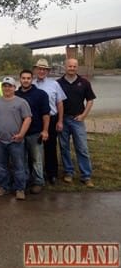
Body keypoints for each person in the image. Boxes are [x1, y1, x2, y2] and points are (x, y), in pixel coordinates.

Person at [0, 77, 31, 200]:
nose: (7, 88)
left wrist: (21, 134)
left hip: (16, 141)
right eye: (5, 86)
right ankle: (4, 187)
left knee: (19, 166)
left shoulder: (21, 102)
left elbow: (28, 119)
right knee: (2, 166)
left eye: (10, 86)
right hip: (0, 140)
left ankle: (20, 189)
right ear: (2, 87)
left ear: (14, 87)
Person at [57, 58, 96, 187]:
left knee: (82, 148)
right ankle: (68, 172)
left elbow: (90, 100)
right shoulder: (58, 83)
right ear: (65, 67)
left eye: (74, 66)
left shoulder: (84, 82)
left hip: (77, 120)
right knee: (64, 148)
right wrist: (59, 120)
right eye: (70, 66)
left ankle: (86, 176)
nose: (72, 68)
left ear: (77, 67)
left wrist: (84, 115)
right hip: (63, 120)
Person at [15, 69, 50, 194]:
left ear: (32, 79)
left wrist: (45, 131)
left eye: (28, 78)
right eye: (23, 78)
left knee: (37, 159)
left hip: (35, 132)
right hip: (19, 134)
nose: (25, 80)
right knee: (21, 159)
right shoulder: (15, 94)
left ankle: (38, 182)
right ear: (20, 79)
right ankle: (24, 180)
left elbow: (46, 114)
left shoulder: (41, 94)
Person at [32, 58, 66, 185]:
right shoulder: (31, 84)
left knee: (50, 147)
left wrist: (60, 121)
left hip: (52, 119)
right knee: (35, 148)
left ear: (47, 71)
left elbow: (60, 103)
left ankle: (52, 173)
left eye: (44, 69)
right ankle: (37, 173)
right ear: (35, 70)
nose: (41, 71)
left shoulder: (55, 84)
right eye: (39, 69)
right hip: (36, 120)